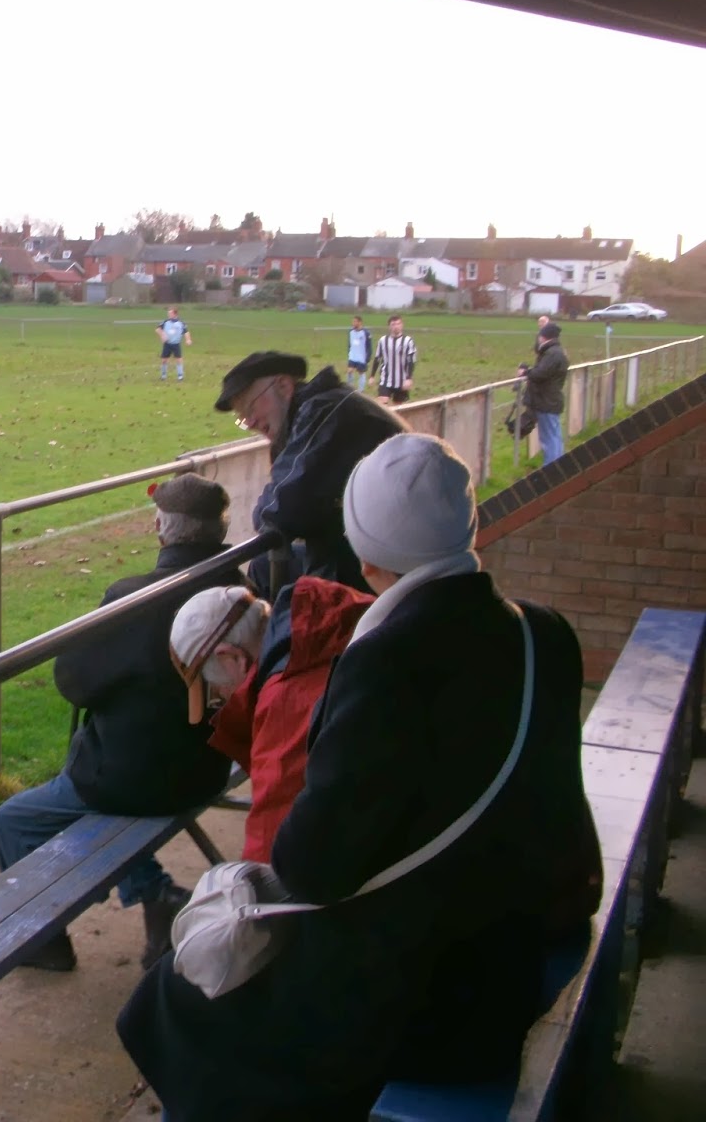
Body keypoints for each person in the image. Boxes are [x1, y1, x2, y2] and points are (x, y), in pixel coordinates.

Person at [119, 433, 602, 1122]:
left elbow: (312, 866)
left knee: (175, 996)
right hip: (511, 958)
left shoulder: (384, 661)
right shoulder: (544, 633)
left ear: (368, 554)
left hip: (436, 1005)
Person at [0, 475, 244, 973]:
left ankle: (43, 941)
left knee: (16, 819)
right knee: (108, 805)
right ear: (220, 528)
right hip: (210, 767)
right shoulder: (242, 589)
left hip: (136, 779)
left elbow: (74, 682)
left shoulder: (134, 597)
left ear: (161, 529)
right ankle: (154, 894)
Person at [170, 577, 372, 863]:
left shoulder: (284, 714)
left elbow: (268, 856)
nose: (223, 699)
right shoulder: (333, 612)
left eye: (215, 691)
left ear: (230, 657)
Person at [215, 351, 406, 595]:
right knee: (263, 566)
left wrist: (266, 512)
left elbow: (280, 510)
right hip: (372, 549)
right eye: (242, 419)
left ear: (283, 386)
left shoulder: (323, 412)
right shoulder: (318, 409)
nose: (250, 423)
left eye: (250, 408)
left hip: (384, 564)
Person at [519, 321, 569, 463]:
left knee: (549, 438)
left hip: (546, 401)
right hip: (552, 400)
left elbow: (540, 374)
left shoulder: (552, 354)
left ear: (543, 336)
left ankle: (551, 469)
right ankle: (558, 466)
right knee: (554, 436)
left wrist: (526, 372)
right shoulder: (557, 352)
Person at [370, 314, 417, 404]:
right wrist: (372, 376)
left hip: (402, 381)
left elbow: (411, 361)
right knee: (382, 404)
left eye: (398, 324)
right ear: (389, 327)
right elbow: (377, 359)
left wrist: (409, 378)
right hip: (386, 379)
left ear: (402, 325)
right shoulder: (383, 340)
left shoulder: (408, 341)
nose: (396, 327)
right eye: (393, 324)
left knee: (398, 407)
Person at [157, 307, 189, 382]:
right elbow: (158, 329)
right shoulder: (165, 322)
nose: (168, 315)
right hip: (167, 344)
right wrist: (162, 335)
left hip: (176, 344)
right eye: (168, 313)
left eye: (170, 313)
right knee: (164, 360)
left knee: (179, 360)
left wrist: (188, 339)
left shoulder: (181, 323)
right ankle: (163, 376)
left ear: (175, 314)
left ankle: (180, 376)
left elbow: (186, 332)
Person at [345, 315, 370, 391]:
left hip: (361, 357)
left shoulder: (365, 333)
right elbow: (350, 344)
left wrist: (368, 357)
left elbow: (369, 346)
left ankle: (360, 390)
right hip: (352, 356)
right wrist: (349, 352)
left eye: (355, 321)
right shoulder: (351, 332)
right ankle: (349, 388)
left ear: (360, 322)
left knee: (361, 373)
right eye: (353, 321)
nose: (353, 323)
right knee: (349, 371)